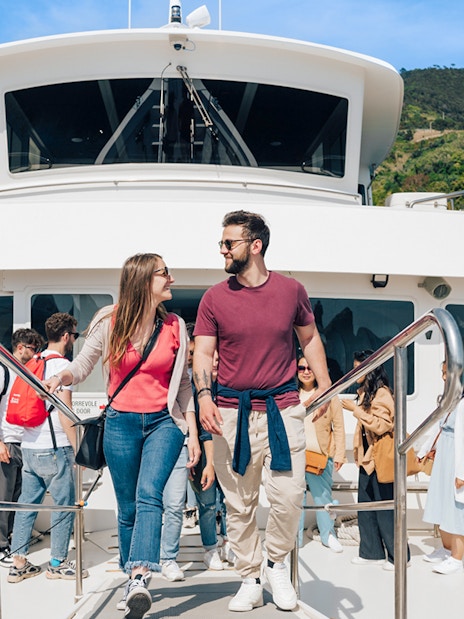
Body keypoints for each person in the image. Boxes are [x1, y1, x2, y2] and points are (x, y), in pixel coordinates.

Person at [44, 254, 200, 619]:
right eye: (164, 273)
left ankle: (140, 576)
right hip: (120, 423)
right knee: (127, 506)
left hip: (164, 422)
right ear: (144, 280)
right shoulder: (109, 322)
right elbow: (81, 367)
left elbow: (186, 386)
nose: (171, 278)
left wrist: (192, 433)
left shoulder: (176, 325)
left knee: (150, 495)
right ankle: (133, 576)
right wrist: (59, 378)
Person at [193, 210, 331, 612]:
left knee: (288, 497)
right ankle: (250, 577)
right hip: (230, 412)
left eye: (228, 242)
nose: (222, 248)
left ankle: (275, 563)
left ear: (255, 246)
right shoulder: (214, 298)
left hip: (283, 407)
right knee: (239, 503)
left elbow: (310, 339)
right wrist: (204, 395)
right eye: (221, 241)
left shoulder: (291, 291)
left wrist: (324, 386)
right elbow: (203, 351)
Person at [8, 313, 84, 583]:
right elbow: (65, 413)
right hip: (55, 447)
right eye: (75, 336)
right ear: (66, 336)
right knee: (63, 506)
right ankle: (57, 563)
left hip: (29, 445)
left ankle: (18, 563)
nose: (74, 340)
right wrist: (79, 450)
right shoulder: (63, 366)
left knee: (26, 505)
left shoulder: (33, 361)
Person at [341, 350, 410, 571]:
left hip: (380, 460)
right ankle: (371, 552)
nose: (354, 372)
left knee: (385, 509)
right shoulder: (366, 392)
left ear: (370, 369)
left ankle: (399, 556)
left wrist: (356, 410)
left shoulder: (381, 394)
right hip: (368, 460)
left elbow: (382, 426)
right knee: (367, 507)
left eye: (358, 367)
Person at [0, 328, 44, 566]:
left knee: (18, 496)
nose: (36, 353)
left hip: (24, 442)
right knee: (3, 497)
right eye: (33, 349)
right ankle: (0, 546)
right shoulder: (4, 372)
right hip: (7, 442)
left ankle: (12, 539)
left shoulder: (27, 373)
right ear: (19, 348)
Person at [297, 356, 346, 553]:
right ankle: (295, 538)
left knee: (323, 498)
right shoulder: (291, 395)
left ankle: (328, 536)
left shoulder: (329, 394)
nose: (306, 371)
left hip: (320, 455)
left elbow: (339, 426)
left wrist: (340, 454)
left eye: (310, 367)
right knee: (295, 499)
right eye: (301, 367)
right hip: (295, 456)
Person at [421, 362, 464, 575]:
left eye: (447, 373)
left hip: (457, 457)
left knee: (456, 508)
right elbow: (439, 429)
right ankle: (447, 550)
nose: (444, 377)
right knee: (442, 503)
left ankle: (457, 557)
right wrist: (424, 451)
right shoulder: (449, 400)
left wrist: (462, 472)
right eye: (443, 373)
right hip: (445, 453)